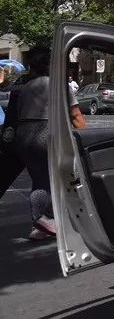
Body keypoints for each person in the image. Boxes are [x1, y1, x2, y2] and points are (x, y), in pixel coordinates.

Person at [9, 47, 85, 240]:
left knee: (39, 180)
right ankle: (50, 218)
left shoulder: (26, 87)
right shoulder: (58, 85)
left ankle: (39, 225)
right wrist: (85, 138)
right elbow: (75, 115)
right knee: (60, 178)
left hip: (24, 134)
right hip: (46, 132)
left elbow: (18, 114)